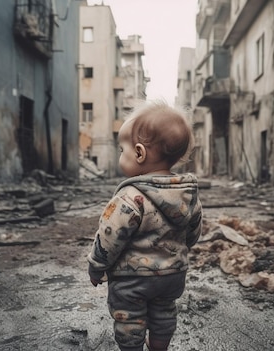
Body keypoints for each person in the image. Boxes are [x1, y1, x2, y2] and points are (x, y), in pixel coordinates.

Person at [87, 100, 203, 351]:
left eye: (122, 150)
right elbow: (192, 232)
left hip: (133, 278)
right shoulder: (187, 195)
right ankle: (159, 347)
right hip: (172, 275)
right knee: (164, 313)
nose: (121, 155)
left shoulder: (130, 196)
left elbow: (109, 236)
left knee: (129, 318)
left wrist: (97, 265)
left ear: (139, 153)